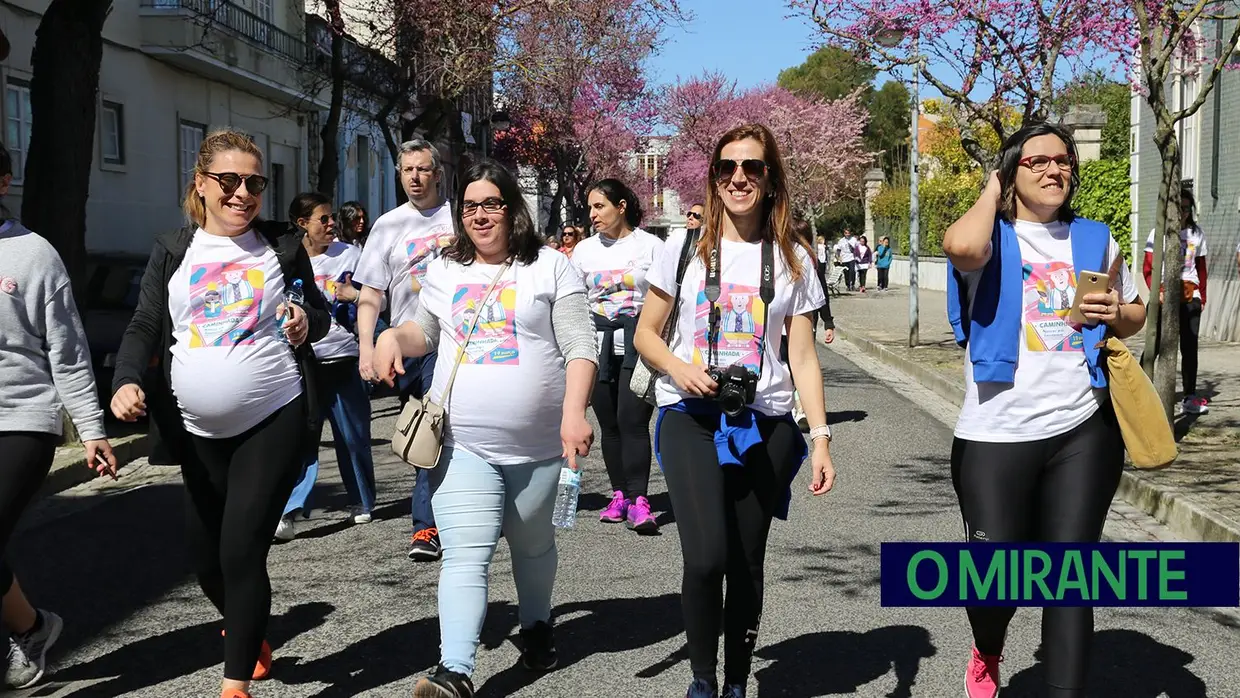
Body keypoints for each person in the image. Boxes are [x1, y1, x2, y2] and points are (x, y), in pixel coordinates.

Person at [110, 129, 331, 698]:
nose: (242, 194)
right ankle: (249, 628)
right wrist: (127, 379)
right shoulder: (173, 249)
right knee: (205, 557)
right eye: (228, 181)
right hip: (196, 430)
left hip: (272, 413)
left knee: (240, 547)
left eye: (253, 183)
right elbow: (144, 326)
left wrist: (306, 320)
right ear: (201, 185)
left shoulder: (281, 246)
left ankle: (235, 687)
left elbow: (319, 311)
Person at [373, 160, 596, 698]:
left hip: (539, 446)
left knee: (532, 545)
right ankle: (456, 671)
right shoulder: (445, 270)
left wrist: (574, 412)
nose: (479, 215)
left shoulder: (549, 267)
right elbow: (422, 332)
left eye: (491, 203)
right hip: (462, 443)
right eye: (469, 206)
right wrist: (389, 340)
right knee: (466, 555)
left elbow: (580, 346)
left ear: (512, 207)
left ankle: (538, 627)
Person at [941, 122, 1145, 698]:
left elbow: (1135, 313)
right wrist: (992, 187)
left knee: (1071, 580)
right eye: (1037, 162)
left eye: (1064, 160)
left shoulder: (1095, 237)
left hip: (1083, 426)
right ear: (1011, 173)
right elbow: (961, 248)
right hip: (995, 431)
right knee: (994, 580)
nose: (1055, 170)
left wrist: (1115, 313)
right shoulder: (992, 239)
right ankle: (987, 648)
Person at [633, 124, 837, 698]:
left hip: (765, 423)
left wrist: (819, 437)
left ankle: (736, 684)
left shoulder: (794, 257)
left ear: (770, 178)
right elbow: (647, 334)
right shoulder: (682, 249)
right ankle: (702, 679)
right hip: (689, 417)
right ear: (714, 178)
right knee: (705, 558)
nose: (739, 178)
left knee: (747, 560)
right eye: (727, 168)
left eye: (752, 167)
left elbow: (802, 356)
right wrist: (679, 369)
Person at [0, 142, 117, 690]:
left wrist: (92, 429)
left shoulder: (33, 254)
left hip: (22, 418)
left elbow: (66, 351)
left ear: (3, 183)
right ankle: (31, 627)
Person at [353, 138, 455, 562]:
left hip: (450, 337)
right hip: (405, 341)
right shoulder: (388, 225)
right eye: (406, 170)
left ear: (437, 173)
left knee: (438, 424)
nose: (414, 177)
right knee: (420, 430)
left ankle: (427, 526)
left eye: (422, 169)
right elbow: (371, 295)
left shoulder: (458, 217)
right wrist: (366, 347)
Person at [274, 193, 377, 541]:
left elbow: (371, 298)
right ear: (302, 224)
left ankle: (362, 501)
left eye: (332, 217)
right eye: (323, 219)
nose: (332, 224)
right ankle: (289, 510)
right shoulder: (286, 259)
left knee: (352, 436)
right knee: (302, 438)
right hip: (303, 362)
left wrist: (356, 300)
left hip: (344, 355)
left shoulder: (349, 254)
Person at [573, 178, 664, 532]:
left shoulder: (651, 247)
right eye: (590, 207)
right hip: (597, 342)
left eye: (600, 206)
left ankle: (640, 500)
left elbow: (666, 296)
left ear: (621, 206)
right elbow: (574, 299)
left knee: (633, 418)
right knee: (609, 423)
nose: (593, 214)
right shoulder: (583, 250)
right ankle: (619, 495)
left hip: (638, 339)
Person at [1143, 186, 1209, 414]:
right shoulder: (1157, 233)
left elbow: (1201, 268)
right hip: (1164, 293)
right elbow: (1148, 268)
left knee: (1189, 347)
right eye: (1178, 207)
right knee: (1157, 344)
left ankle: (1190, 396)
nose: (1182, 212)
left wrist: (1203, 296)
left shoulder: (1196, 234)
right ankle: (1141, 391)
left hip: (1191, 294)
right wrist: (1156, 293)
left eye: (1186, 208)